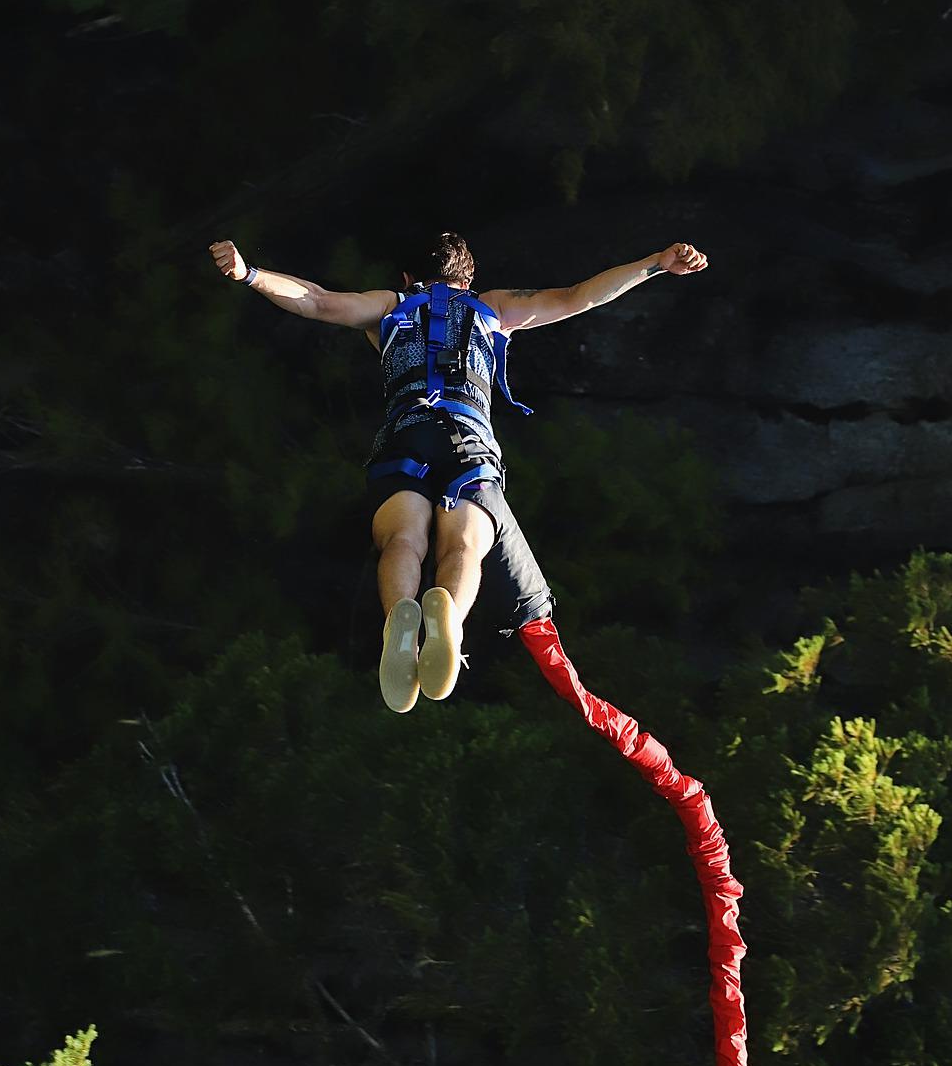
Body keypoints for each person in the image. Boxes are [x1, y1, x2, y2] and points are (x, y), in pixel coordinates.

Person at [209, 230, 708, 712]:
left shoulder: (389, 306)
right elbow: (580, 297)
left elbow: (314, 299)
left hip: (404, 438)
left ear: (408, 277)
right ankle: (448, 614)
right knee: (464, 546)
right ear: (467, 279)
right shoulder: (491, 308)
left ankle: (399, 616)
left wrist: (249, 273)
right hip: (468, 443)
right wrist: (655, 263)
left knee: (403, 540)